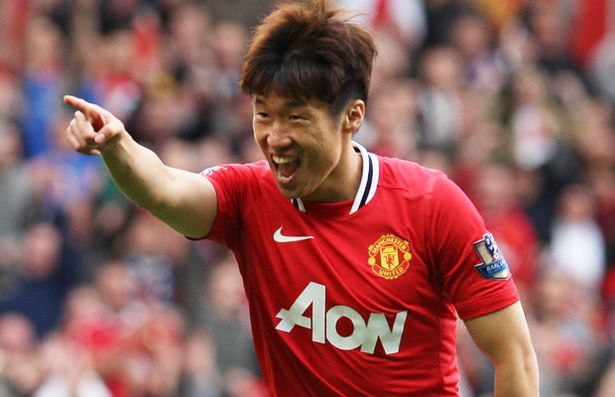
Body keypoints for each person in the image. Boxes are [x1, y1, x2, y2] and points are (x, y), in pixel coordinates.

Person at [63, 1, 539, 395]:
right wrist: (117, 145)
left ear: (352, 116)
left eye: (296, 117)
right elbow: (165, 187)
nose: (274, 137)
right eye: (263, 114)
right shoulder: (248, 197)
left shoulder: (432, 205)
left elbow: (514, 354)